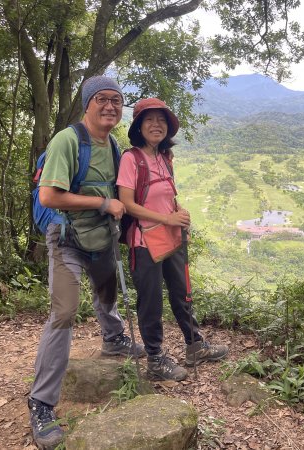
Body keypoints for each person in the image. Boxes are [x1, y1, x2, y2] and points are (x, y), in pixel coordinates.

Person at [27, 76, 144, 449]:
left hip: (101, 237)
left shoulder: (112, 145)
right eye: (102, 100)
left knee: (107, 292)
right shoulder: (68, 140)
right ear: (87, 104)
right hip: (66, 239)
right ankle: (41, 402)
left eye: (117, 100)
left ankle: (113, 339)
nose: (110, 106)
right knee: (64, 312)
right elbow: (48, 196)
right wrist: (101, 204)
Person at [117, 98, 228, 381]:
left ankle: (195, 345)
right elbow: (127, 204)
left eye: (162, 120)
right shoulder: (132, 159)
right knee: (151, 300)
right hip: (144, 242)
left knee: (182, 292)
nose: (156, 125)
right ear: (139, 127)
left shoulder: (165, 158)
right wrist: (167, 219)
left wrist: (179, 211)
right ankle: (155, 358)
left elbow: (168, 195)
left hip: (171, 237)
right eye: (149, 120)